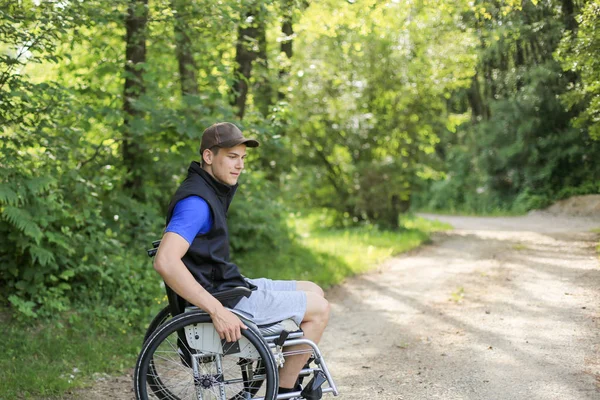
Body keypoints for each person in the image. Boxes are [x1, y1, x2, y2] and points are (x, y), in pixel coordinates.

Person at [153, 122, 330, 396]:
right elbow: (165, 261)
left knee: (314, 289)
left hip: (227, 285)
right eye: (232, 157)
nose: (240, 165)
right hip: (224, 298)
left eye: (243, 158)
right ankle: (285, 390)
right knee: (319, 309)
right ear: (208, 157)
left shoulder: (209, 189)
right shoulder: (196, 203)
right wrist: (216, 310)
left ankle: (287, 374)